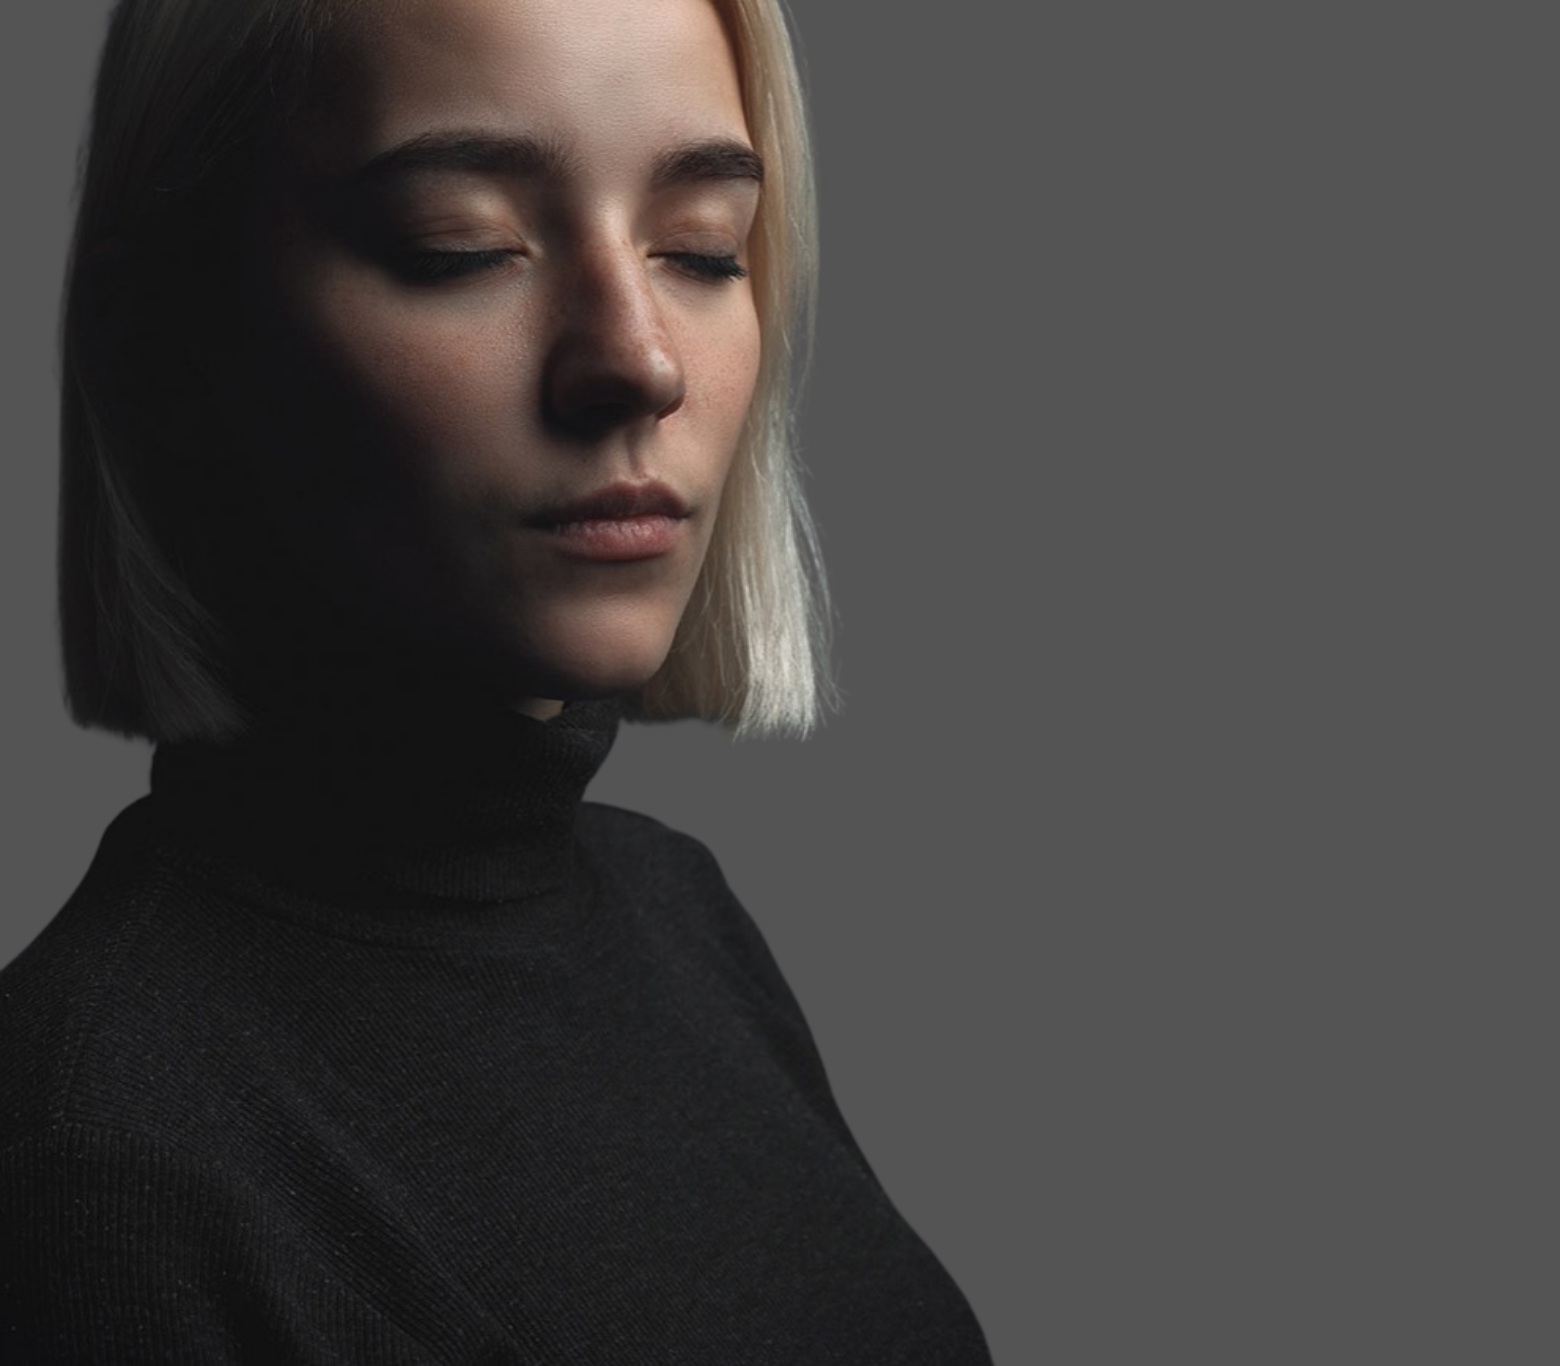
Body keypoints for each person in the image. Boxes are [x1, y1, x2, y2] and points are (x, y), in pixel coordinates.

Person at [0, 0, 993, 1360]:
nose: (640, 359)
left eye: (703, 247)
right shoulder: (102, 1170)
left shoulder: (680, 913)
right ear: (163, 344)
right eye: (457, 245)